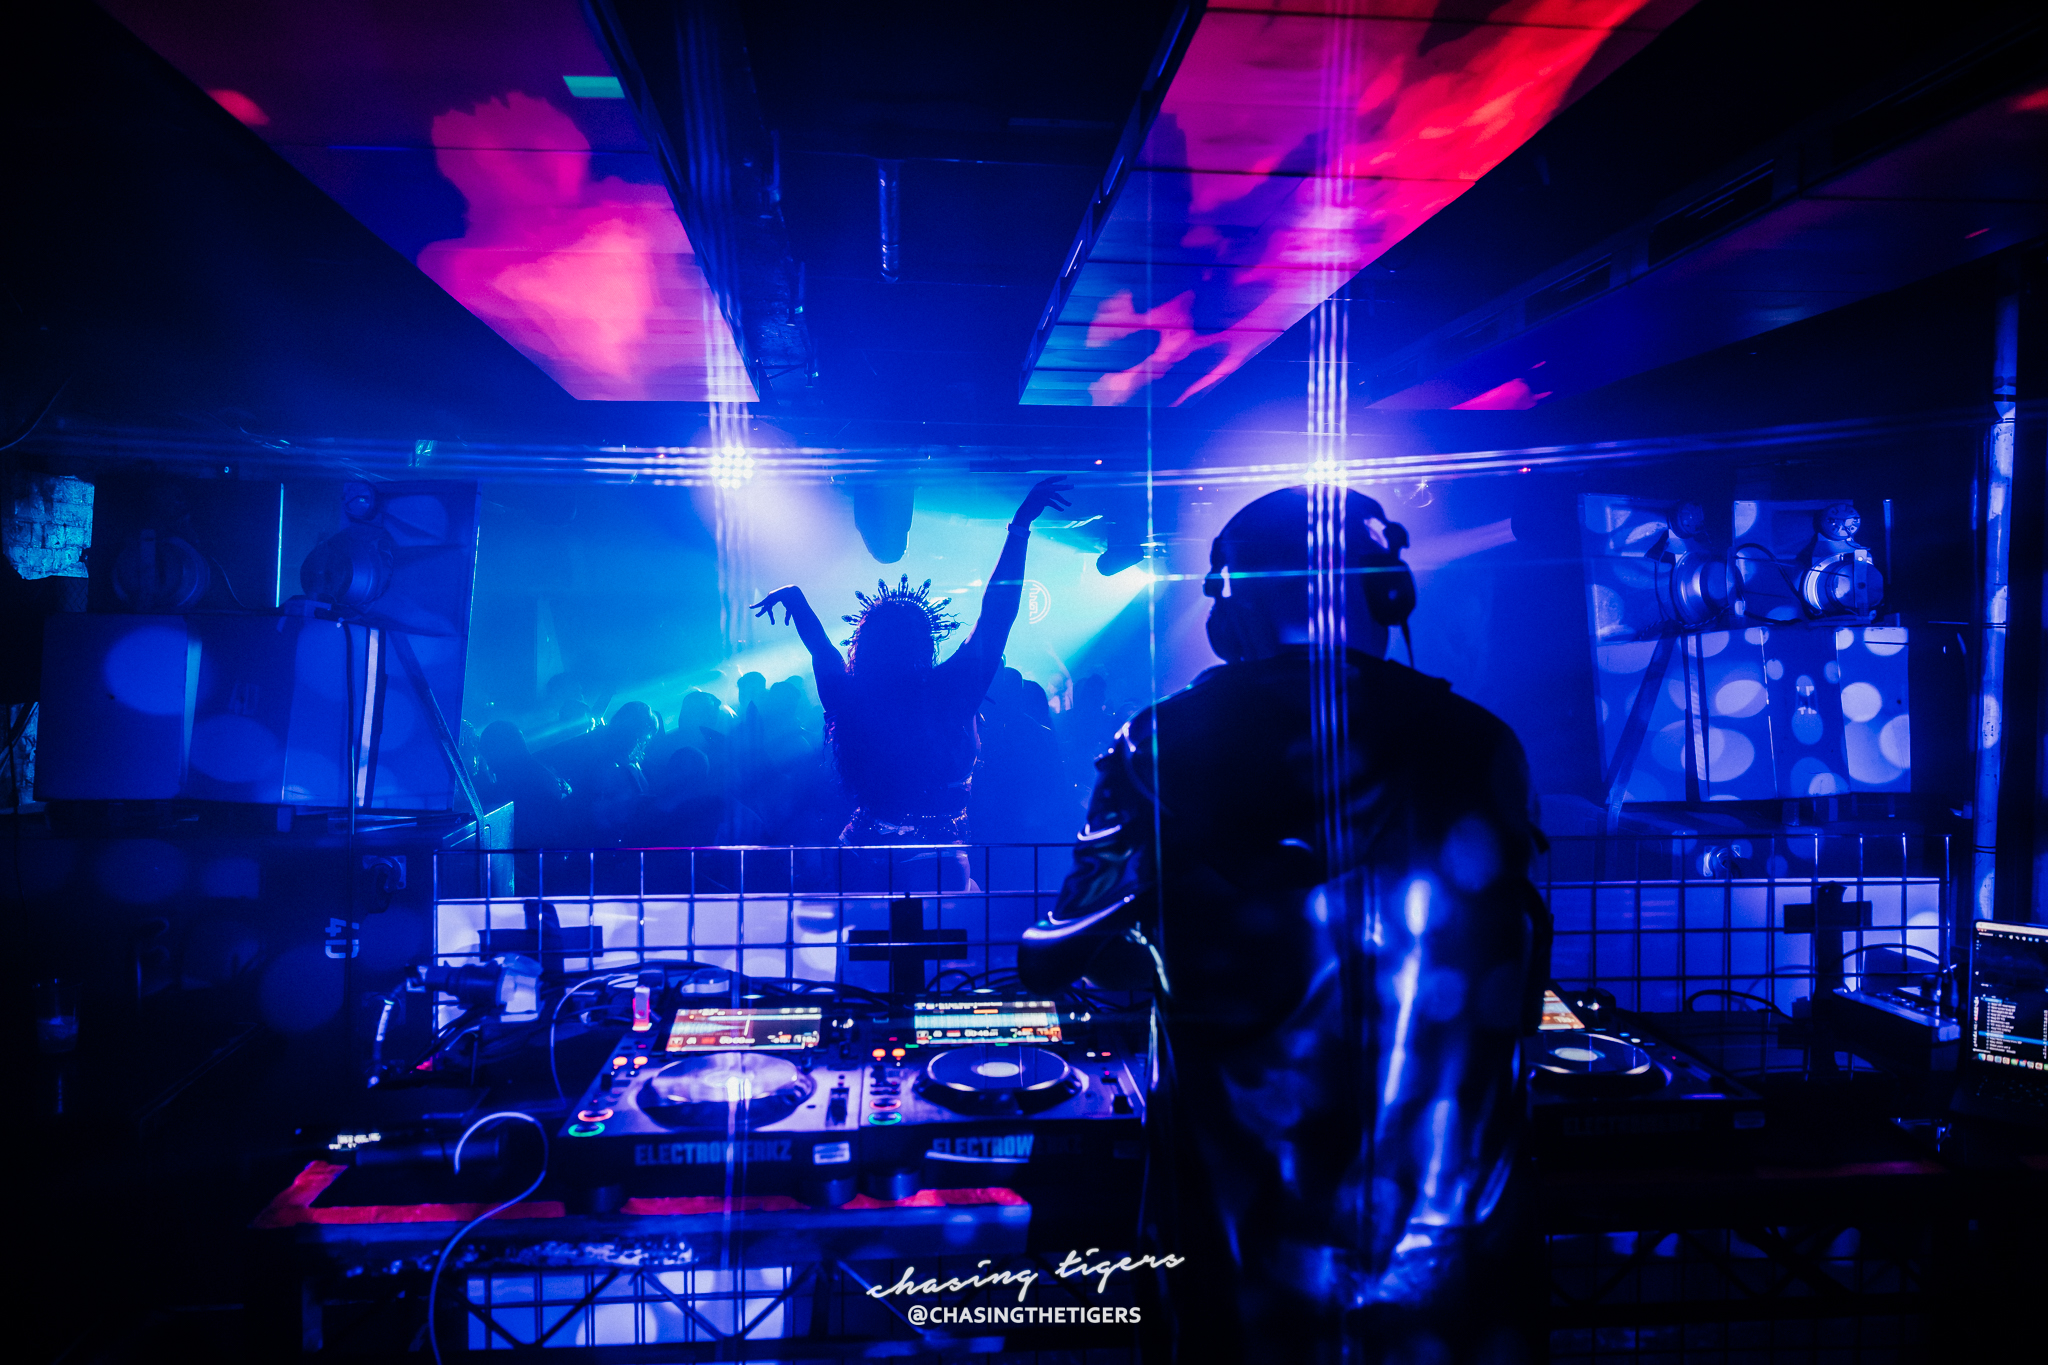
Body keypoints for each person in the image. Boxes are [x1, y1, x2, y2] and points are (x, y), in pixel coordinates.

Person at [1019, 486, 1549, 1364]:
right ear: (1388, 593)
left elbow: (1049, 958)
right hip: (1457, 1278)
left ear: (1231, 609)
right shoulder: (1486, 743)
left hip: (1244, 1268)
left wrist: (1156, 913)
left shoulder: (1159, 745)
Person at [750, 477, 1072, 844]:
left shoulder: (849, 695)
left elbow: (822, 650)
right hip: (936, 856)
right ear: (925, 644)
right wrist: (1019, 528)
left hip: (862, 846)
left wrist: (796, 601)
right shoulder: (948, 692)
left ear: (863, 644)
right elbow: (997, 615)